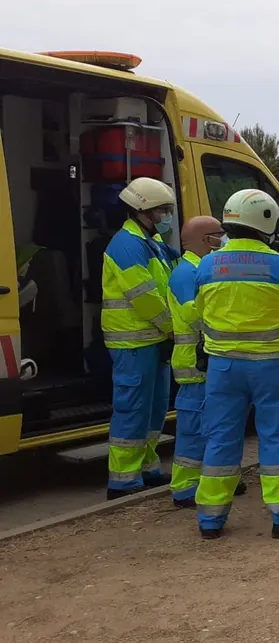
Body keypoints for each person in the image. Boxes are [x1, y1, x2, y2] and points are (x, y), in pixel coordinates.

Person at [194, 189, 279, 540]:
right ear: (266, 222)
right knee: (276, 436)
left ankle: (210, 518)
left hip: (223, 367)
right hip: (272, 366)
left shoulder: (207, 265)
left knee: (221, 437)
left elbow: (199, 313)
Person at [101, 177, 178, 499]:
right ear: (143, 210)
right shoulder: (127, 245)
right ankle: (122, 480)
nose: (166, 216)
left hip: (153, 339)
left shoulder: (152, 243)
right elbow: (144, 297)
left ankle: (147, 467)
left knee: (154, 409)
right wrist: (173, 327)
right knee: (132, 409)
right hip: (133, 342)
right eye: (162, 210)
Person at [167, 216, 247, 507]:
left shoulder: (200, 269)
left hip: (208, 362)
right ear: (205, 240)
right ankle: (185, 488)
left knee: (216, 426)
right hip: (194, 365)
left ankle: (220, 479)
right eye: (219, 235)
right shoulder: (186, 273)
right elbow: (193, 315)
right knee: (193, 430)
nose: (224, 240)